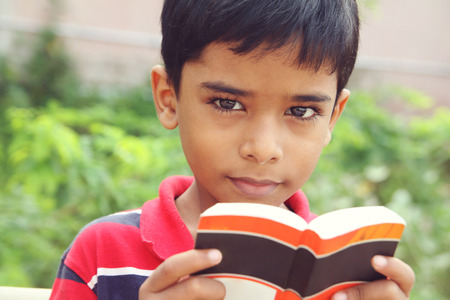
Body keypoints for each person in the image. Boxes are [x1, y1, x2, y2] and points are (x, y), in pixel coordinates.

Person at [50, 0, 415, 299]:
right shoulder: (104, 255)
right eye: (227, 103)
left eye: (301, 111)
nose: (263, 149)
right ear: (169, 98)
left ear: (332, 118)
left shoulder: (343, 276)